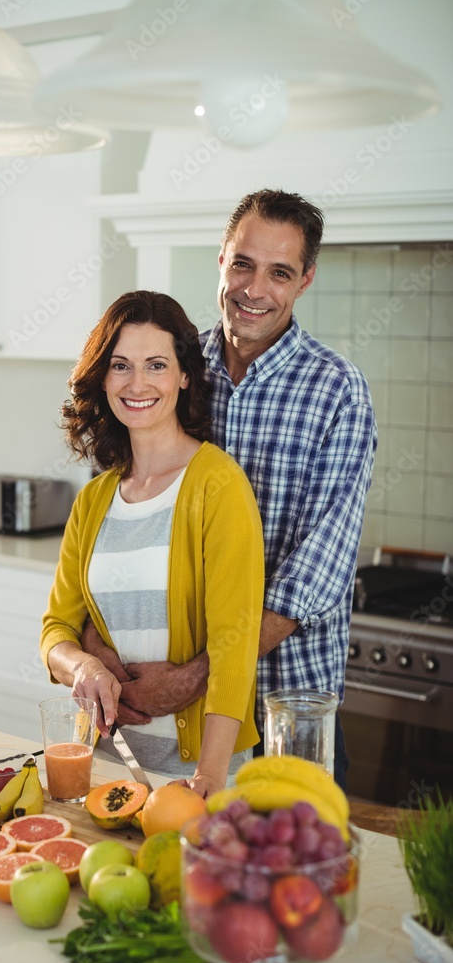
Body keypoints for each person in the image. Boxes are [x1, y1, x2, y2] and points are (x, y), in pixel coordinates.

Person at [81, 190, 378, 791]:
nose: (254, 289)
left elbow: (316, 574)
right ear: (220, 259)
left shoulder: (337, 390)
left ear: (305, 280)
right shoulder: (173, 364)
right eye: (242, 263)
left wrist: (199, 674)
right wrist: (94, 647)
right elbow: (113, 518)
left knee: (288, 876)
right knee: (160, 870)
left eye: (280, 272)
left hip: (283, 706)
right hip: (159, 709)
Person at [40, 290, 264, 798]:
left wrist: (207, 777)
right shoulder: (96, 498)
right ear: (102, 377)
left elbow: (234, 646)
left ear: (184, 375)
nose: (137, 383)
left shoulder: (218, 485)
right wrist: (85, 666)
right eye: (120, 365)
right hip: (106, 762)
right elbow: (56, 629)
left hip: (197, 771)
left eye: (155, 365)